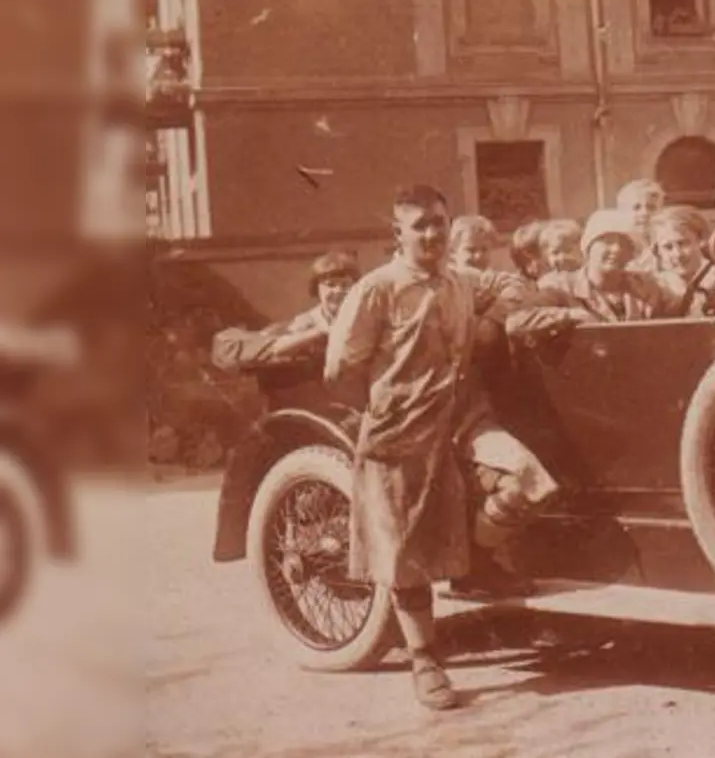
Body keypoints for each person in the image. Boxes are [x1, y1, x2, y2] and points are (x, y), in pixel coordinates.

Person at [323, 184, 568, 712]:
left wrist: (499, 318)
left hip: (463, 421)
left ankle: (474, 560)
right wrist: (383, 408)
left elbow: (511, 284)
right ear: (398, 233)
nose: (431, 234)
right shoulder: (376, 289)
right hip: (400, 432)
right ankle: (425, 661)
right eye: (420, 226)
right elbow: (339, 369)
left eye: (438, 223)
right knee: (407, 553)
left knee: (529, 481)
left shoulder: (460, 282)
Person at [210, 250, 360, 369]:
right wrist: (318, 332)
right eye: (330, 284)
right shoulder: (303, 324)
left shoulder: (365, 319)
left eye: (345, 285)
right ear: (316, 290)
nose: (338, 291)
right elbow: (268, 348)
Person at [537, 208, 672, 322]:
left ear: (632, 254)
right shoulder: (559, 287)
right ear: (588, 247)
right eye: (607, 241)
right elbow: (521, 319)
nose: (616, 249)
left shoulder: (647, 286)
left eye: (624, 244)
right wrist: (567, 315)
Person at [649, 206, 715, 318]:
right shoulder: (658, 286)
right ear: (657, 251)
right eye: (668, 247)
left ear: (701, 241)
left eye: (683, 243)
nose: (678, 254)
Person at [615, 178, 665, 272]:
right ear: (622, 213)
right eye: (636, 207)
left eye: (651, 207)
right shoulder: (616, 249)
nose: (645, 213)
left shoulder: (665, 247)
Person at [532, 217, 584, 291]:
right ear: (546, 256)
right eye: (555, 253)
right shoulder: (547, 284)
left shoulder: (589, 276)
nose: (562, 257)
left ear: (581, 248)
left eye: (567, 250)